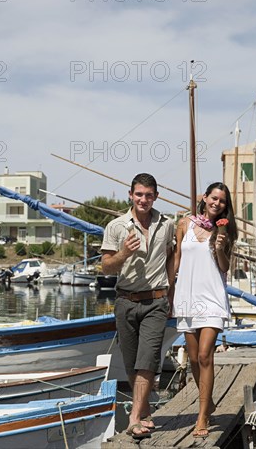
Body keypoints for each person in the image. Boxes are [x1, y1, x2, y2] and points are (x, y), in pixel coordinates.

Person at [101, 173, 175, 439]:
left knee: (148, 360)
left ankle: (133, 418)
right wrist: (124, 253)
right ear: (130, 195)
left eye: (149, 195)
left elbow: (170, 257)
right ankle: (144, 412)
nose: (143, 199)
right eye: (139, 194)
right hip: (125, 301)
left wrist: (171, 294)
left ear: (156, 196)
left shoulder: (167, 224)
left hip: (156, 300)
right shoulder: (116, 226)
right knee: (131, 363)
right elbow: (107, 266)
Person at [173, 182, 237, 439]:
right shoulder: (184, 224)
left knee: (204, 355)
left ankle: (203, 417)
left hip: (211, 297)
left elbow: (224, 267)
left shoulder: (226, 230)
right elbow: (177, 257)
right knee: (193, 359)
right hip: (186, 297)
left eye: (222, 201)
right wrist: (169, 290)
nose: (217, 203)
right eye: (214, 198)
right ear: (204, 198)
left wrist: (220, 247)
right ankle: (207, 401)